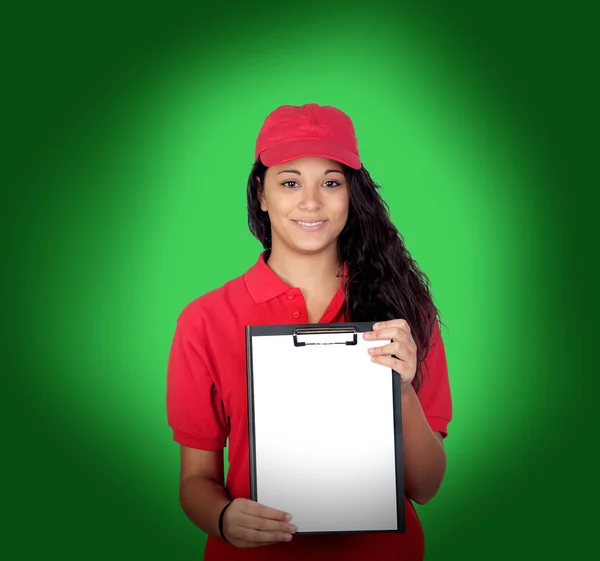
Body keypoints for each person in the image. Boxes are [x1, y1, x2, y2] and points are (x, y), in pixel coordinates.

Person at [166, 103, 452, 561]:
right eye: (291, 181)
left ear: (351, 195)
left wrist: (400, 392)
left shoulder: (406, 311)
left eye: (331, 182)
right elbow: (195, 480)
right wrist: (222, 518)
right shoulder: (204, 319)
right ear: (261, 193)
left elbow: (426, 486)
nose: (311, 202)